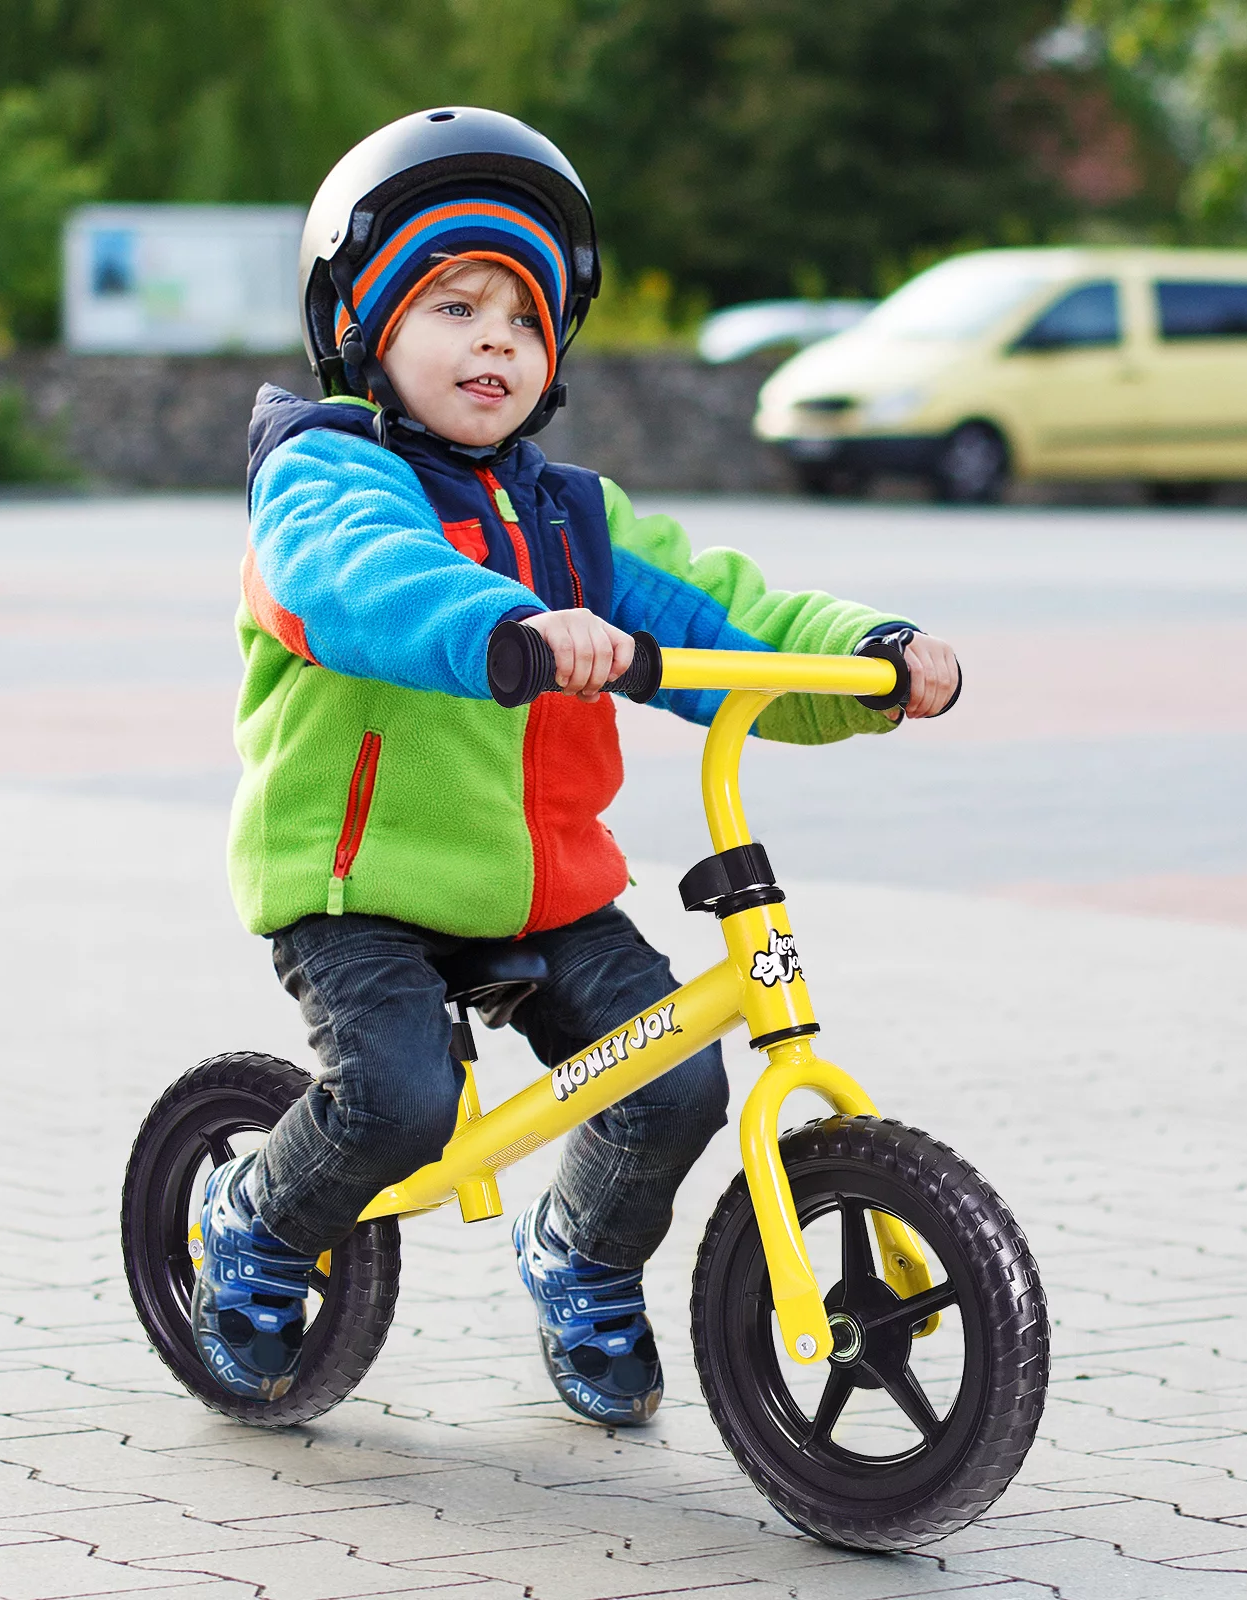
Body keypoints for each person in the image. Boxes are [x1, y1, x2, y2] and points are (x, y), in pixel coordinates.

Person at [192, 107, 961, 1422]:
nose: (496, 339)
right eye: (455, 304)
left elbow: (732, 615)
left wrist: (871, 657)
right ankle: (254, 1222)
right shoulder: (328, 474)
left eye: (525, 320)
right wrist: (505, 626)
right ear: (367, 332)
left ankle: (581, 1257)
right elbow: (360, 578)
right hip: (358, 880)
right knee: (396, 1097)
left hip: (543, 885)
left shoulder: (575, 518)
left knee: (674, 1080)